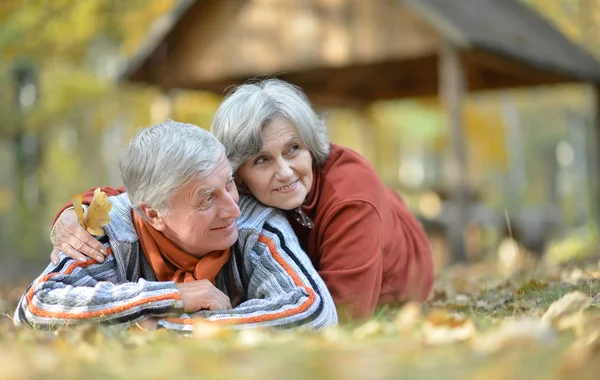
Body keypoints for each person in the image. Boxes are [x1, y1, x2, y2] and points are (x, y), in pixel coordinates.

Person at [51, 79, 434, 319]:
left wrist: (212, 321)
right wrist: (72, 211)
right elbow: (163, 187)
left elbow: (341, 317)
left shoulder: (351, 200)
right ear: (237, 170)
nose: (284, 171)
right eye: (262, 159)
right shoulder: (233, 184)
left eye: (294, 149)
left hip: (393, 283)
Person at [15, 120, 337, 333]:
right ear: (154, 215)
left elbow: (314, 310)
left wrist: (177, 329)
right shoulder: (111, 233)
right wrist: (173, 296)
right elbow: (35, 306)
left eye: (229, 184)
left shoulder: (254, 224)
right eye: (207, 199)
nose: (232, 207)